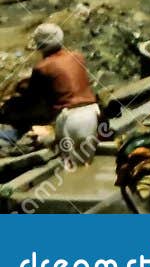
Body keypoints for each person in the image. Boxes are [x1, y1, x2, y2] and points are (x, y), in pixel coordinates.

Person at [17, 24, 99, 168]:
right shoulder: (78, 57)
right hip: (91, 113)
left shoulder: (41, 67)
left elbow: (31, 99)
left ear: (39, 45)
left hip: (69, 119)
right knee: (86, 164)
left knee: (70, 169)